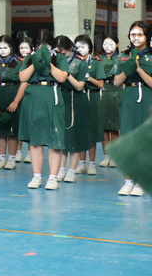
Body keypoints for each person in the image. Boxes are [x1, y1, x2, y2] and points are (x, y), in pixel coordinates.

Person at [18, 29, 69, 190]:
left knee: (55, 139)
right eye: (39, 44)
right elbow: (22, 77)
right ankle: (36, 176)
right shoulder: (30, 57)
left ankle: (53, 178)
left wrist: (48, 62)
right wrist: (36, 62)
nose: (42, 47)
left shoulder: (59, 57)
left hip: (52, 95)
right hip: (34, 95)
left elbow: (62, 77)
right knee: (35, 140)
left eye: (45, 44)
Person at [113, 21, 152, 196]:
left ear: (147, 36)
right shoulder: (124, 55)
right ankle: (128, 181)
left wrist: (138, 69)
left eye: (140, 34)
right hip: (129, 97)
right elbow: (116, 81)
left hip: (148, 97)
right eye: (133, 34)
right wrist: (128, 69)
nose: (136, 37)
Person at [66, 34, 105, 180]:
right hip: (78, 97)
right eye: (77, 46)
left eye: (83, 46)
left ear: (90, 47)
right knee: (81, 130)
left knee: (92, 131)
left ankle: (92, 163)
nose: (80, 49)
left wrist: (87, 77)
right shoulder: (72, 62)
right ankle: (82, 163)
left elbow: (100, 84)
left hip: (92, 96)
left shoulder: (96, 62)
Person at [0, 35, 27, 170]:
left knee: (12, 131)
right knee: (0, 130)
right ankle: (1, 159)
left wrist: (16, 101)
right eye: (0, 48)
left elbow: (23, 83)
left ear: (11, 48)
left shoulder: (19, 62)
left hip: (13, 95)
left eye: (5, 47)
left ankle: (12, 159)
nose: (2, 50)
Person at [97, 35, 121, 169]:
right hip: (103, 90)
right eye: (105, 43)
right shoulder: (99, 59)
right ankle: (106, 156)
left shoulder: (121, 58)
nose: (107, 46)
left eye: (111, 43)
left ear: (117, 44)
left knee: (114, 126)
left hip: (116, 90)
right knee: (104, 126)